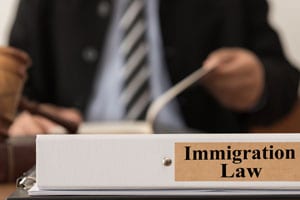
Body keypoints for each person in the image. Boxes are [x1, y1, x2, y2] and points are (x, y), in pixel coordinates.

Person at [8, 0, 300, 135]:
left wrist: (259, 82)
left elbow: (284, 82)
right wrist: (22, 121)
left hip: (198, 170)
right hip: (76, 163)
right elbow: (16, 93)